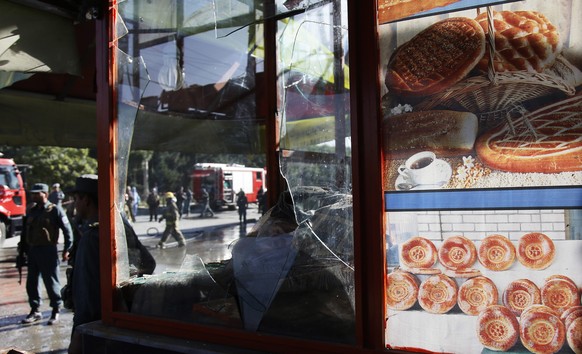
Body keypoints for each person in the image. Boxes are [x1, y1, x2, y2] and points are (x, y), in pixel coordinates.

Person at [20, 183, 73, 325]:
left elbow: (67, 230)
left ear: (45, 194)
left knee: (51, 281)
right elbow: (25, 232)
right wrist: (22, 251)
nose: (34, 196)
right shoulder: (31, 210)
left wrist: (67, 249)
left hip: (48, 250)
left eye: (37, 193)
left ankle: (56, 309)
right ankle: (35, 310)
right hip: (33, 251)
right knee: (31, 282)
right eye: (33, 193)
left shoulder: (54, 210)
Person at [67, 174, 100, 354]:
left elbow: (88, 296)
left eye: (76, 199)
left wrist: (80, 333)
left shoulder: (91, 237)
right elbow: (147, 262)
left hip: (90, 328)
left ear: (85, 200)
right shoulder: (114, 225)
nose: (74, 204)